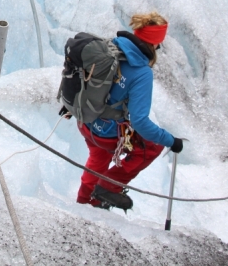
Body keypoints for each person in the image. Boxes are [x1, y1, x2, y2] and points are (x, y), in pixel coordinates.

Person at [75, 12, 183, 211]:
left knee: (98, 158)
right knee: (151, 147)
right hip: (106, 133)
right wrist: (171, 141)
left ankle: (85, 202)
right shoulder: (142, 73)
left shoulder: (110, 47)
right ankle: (107, 188)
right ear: (155, 44)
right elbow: (140, 121)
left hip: (86, 121)